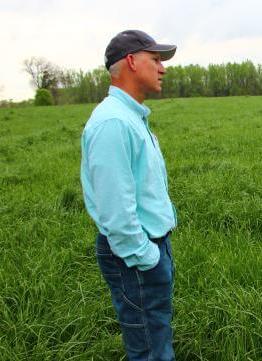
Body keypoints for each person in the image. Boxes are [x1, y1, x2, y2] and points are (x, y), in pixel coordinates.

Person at [81, 30, 177, 360]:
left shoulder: (130, 117)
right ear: (132, 62)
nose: (163, 68)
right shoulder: (113, 123)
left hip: (148, 248)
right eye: (156, 60)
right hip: (136, 255)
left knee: (155, 333)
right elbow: (116, 212)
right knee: (149, 348)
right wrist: (147, 258)